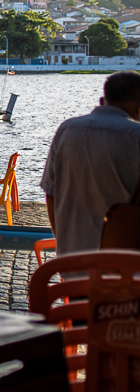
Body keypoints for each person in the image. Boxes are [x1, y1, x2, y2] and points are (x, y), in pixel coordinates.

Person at [41, 70, 140, 254]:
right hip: (126, 268)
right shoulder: (135, 135)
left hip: (72, 261)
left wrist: (64, 245)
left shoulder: (67, 129)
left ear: (102, 101)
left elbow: (51, 194)